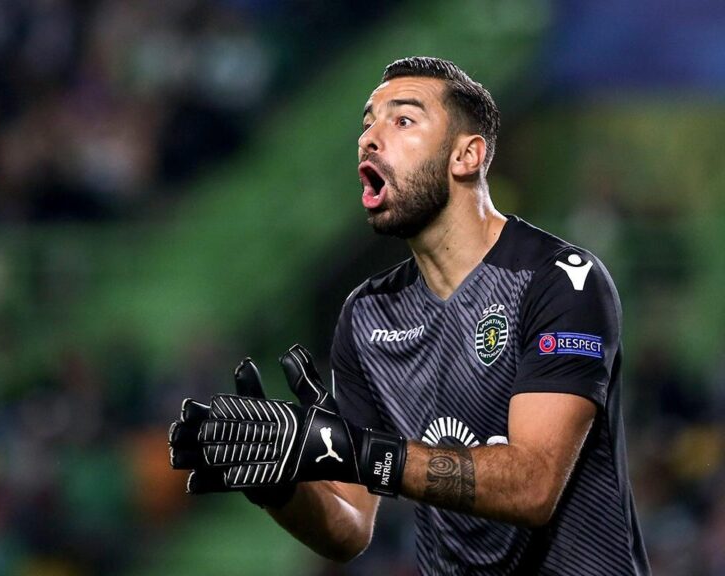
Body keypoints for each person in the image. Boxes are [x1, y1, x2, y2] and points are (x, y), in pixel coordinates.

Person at [169, 56, 650, 575]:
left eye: (402, 120)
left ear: (466, 156)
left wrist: (363, 452)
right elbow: (349, 527)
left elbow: (533, 486)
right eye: (367, 123)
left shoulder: (559, 280)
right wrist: (281, 487)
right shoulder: (367, 315)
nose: (369, 139)